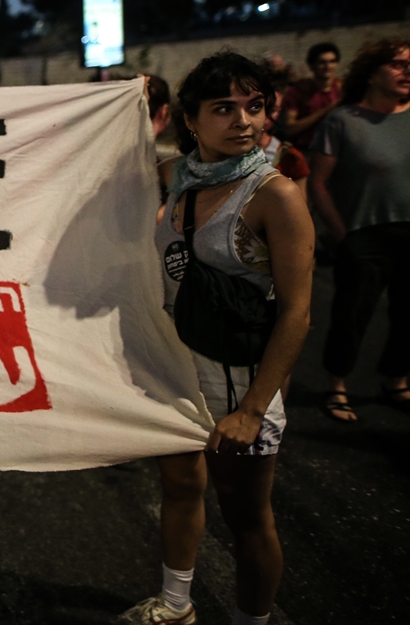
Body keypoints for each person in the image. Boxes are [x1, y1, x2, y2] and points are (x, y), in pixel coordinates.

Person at [120, 52, 314, 625]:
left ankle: (253, 620)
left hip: (238, 381)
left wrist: (253, 410)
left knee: (248, 516)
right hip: (175, 369)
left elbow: (297, 314)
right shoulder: (174, 178)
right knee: (180, 486)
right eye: (224, 108)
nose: (244, 121)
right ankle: (176, 604)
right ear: (191, 118)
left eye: (254, 106)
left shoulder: (274, 196)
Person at [308, 37, 410, 422]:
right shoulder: (343, 120)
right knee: (352, 315)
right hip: (364, 235)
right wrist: (342, 235)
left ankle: (396, 378)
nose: (407, 72)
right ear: (371, 73)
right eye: (399, 64)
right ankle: (337, 383)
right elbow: (318, 182)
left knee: (408, 314)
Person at [279, 42, 342, 151]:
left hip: (339, 147)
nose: (328, 66)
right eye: (322, 62)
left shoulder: (342, 89)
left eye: (332, 61)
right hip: (308, 148)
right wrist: (324, 111)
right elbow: (290, 128)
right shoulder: (297, 91)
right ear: (312, 65)